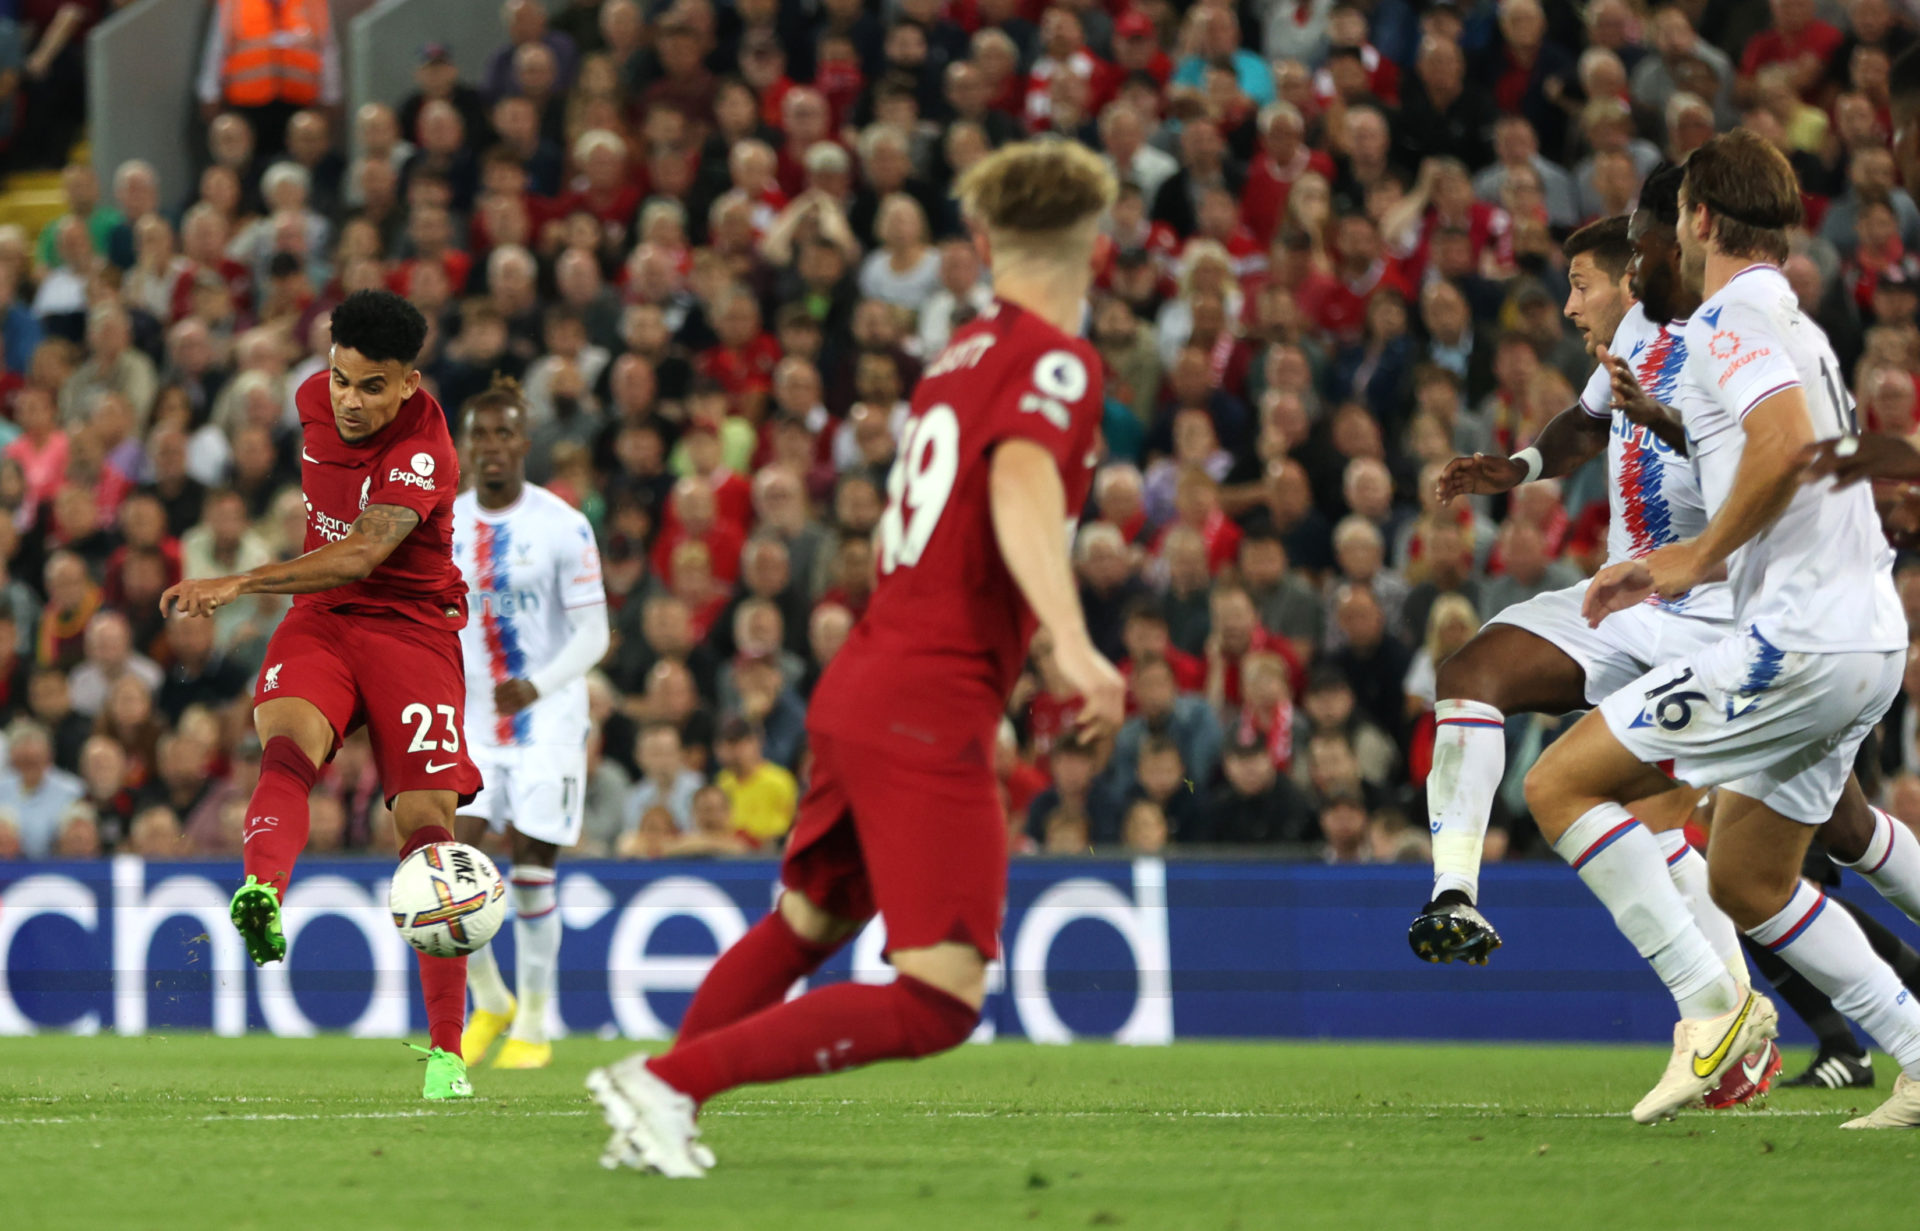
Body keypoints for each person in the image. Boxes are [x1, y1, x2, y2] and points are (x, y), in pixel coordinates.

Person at [586, 141, 1125, 1177]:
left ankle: (657, 1104)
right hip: (928, 693)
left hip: (870, 674)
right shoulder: (1058, 361)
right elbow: (1019, 493)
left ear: (980, 241)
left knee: (810, 918)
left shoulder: (957, 357)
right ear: (1092, 247)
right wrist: (1071, 639)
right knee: (940, 994)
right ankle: (667, 1085)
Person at [1544, 130, 1920, 1127]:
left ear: (1700, 219)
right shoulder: (1790, 319)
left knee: (1560, 782)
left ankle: (1710, 1012)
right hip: (1861, 630)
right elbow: (1779, 441)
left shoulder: (1728, 317)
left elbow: (1787, 446)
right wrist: (1673, 435)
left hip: (1796, 641)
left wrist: (1690, 558)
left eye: (1672, 219)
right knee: (1748, 878)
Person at [159, 290, 483, 1102]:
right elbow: (332, 574)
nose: (349, 400)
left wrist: (241, 581)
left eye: (373, 386)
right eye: (342, 378)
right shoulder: (308, 399)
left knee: (428, 835)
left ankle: (447, 1053)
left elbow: (358, 556)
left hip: (412, 628)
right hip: (326, 621)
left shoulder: (426, 450)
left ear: (409, 383)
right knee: (284, 743)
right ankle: (263, 887)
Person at [450, 379, 610, 1073]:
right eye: (480, 435)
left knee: (531, 869)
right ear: (466, 445)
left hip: (546, 717)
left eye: (504, 434)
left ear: (525, 443)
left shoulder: (563, 524)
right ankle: (489, 998)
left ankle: (537, 1020)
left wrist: (538, 685)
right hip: (473, 719)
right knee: (452, 869)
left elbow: (595, 632)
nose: (492, 448)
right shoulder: (443, 526)